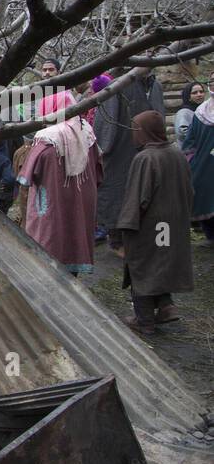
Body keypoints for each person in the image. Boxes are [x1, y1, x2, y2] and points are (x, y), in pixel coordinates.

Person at [118, 111, 194, 335]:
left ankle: (145, 321)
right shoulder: (176, 154)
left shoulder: (145, 158)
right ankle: (166, 306)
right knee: (161, 262)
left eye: (136, 130)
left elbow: (136, 198)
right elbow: (189, 190)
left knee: (141, 266)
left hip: (150, 225)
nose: (133, 135)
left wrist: (124, 227)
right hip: (171, 224)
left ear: (145, 131)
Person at [17, 102, 102, 275]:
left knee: (51, 242)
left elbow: (26, 177)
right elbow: (99, 172)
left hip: (51, 203)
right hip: (81, 201)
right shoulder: (87, 134)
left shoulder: (46, 139)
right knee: (74, 236)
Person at [95, 68, 165, 254]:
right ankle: (118, 241)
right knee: (118, 195)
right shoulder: (117, 86)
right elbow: (105, 126)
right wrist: (103, 148)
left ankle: (151, 240)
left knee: (149, 195)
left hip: (151, 150)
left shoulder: (154, 85)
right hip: (121, 151)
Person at [182, 90, 214, 246]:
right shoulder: (201, 112)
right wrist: (191, 159)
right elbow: (190, 139)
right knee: (203, 196)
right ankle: (211, 235)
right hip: (204, 163)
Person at [175, 81, 205, 146]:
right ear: (188, 96)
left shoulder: (203, 111)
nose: (199, 94)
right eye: (194, 93)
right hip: (190, 152)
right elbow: (182, 133)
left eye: (201, 92)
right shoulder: (184, 112)